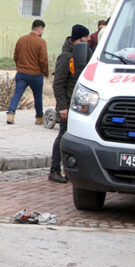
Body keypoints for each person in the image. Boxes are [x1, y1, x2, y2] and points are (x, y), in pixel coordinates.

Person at [48, 24, 90, 183]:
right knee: (62, 136)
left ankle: (70, 170)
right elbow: (58, 84)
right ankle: (54, 170)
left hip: (80, 105)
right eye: (85, 38)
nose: (88, 40)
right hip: (68, 105)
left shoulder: (85, 53)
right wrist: (62, 107)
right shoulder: (66, 57)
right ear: (78, 39)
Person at [6, 19, 49, 125]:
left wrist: (19, 67)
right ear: (40, 29)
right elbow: (43, 60)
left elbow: (16, 56)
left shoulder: (21, 39)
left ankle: (11, 114)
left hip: (22, 73)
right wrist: (45, 72)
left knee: (17, 94)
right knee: (37, 96)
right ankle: (39, 118)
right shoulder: (41, 42)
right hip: (36, 74)